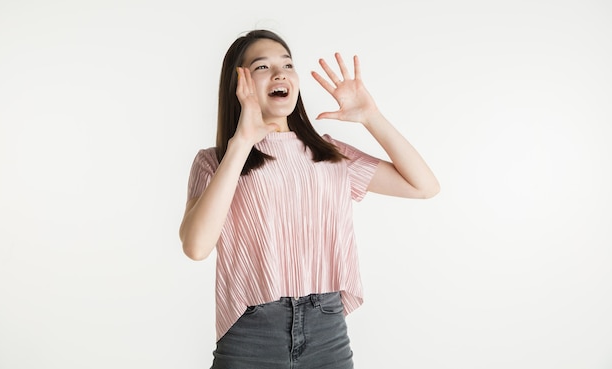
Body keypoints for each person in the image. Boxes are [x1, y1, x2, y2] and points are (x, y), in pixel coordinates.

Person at [179, 29, 440, 369]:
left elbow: (424, 186)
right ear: (238, 84)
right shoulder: (215, 161)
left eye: (287, 64)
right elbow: (196, 248)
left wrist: (370, 117)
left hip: (326, 330)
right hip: (251, 333)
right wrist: (241, 143)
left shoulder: (329, 154)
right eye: (262, 67)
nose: (279, 73)